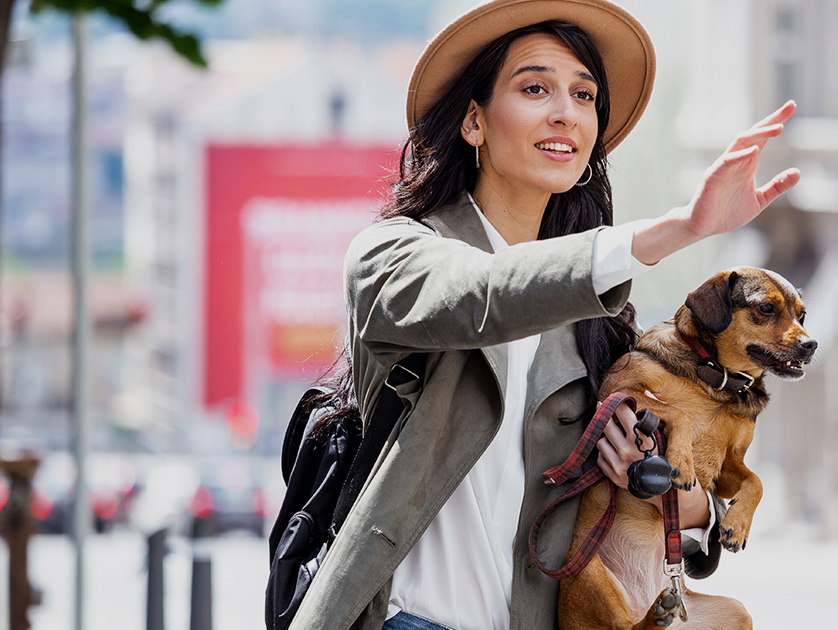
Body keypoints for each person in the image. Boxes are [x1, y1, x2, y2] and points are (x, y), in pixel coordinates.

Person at [291, 1, 800, 629]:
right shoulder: (393, 257)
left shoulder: (597, 324)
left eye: (584, 95)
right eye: (535, 87)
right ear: (473, 122)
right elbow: (485, 293)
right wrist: (679, 229)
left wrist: (661, 482)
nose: (566, 110)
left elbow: (678, 510)